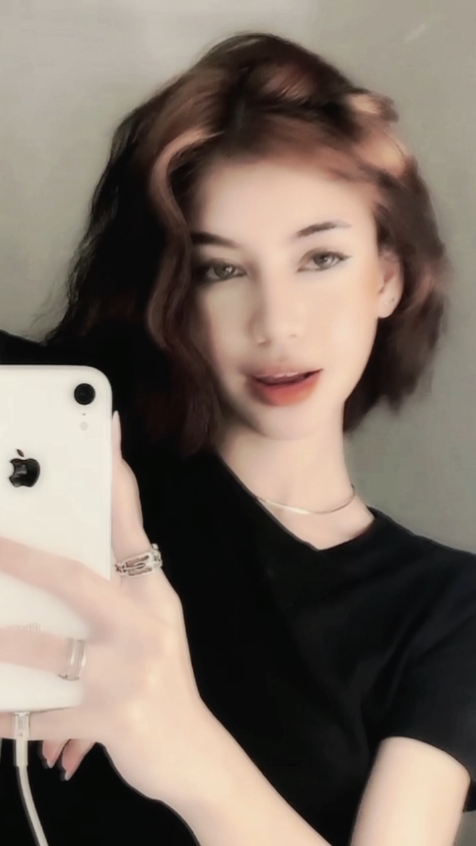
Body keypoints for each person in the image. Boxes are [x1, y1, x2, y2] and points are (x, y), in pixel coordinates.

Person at [0, 29, 475, 846]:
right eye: (221, 269)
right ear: (174, 295)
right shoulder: (52, 450)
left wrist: (180, 744)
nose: (276, 323)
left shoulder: (447, 612)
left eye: (320, 258)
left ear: (388, 276)